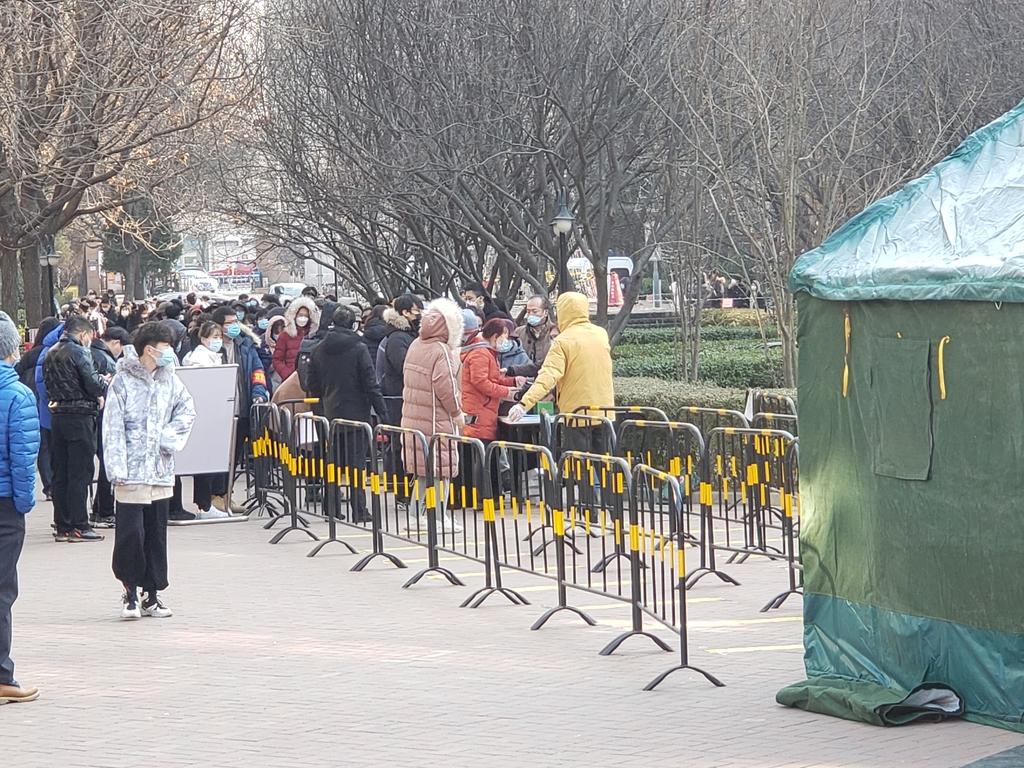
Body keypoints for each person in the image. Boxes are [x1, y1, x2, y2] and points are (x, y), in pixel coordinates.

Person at [104, 322, 196, 619]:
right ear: (150, 348)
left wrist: (168, 440)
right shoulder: (122, 381)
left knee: (156, 534)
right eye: (166, 347)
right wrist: (116, 468)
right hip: (130, 473)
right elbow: (112, 428)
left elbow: (187, 411)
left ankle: (152, 594)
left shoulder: (171, 380)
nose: (170, 352)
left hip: (159, 471)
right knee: (131, 534)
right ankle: (130, 591)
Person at [305, 306, 388, 523]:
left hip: (329, 414)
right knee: (356, 465)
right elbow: (370, 384)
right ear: (353, 325)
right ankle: (359, 509)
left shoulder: (318, 349)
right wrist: (383, 415)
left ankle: (330, 507)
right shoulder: (359, 348)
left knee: (333, 462)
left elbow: (311, 384)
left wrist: (323, 404)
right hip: (356, 415)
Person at [507, 292, 615, 455]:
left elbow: (547, 376)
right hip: (605, 410)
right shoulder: (600, 334)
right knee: (607, 463)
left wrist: (524, 404)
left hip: (577, 413)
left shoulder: (563, 341)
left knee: (580, 465)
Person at [0, 311, 40, 704]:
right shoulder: (17, 395)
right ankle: (1, 675)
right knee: (1, 590)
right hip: (4, 505)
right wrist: (24, 505)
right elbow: (22, 458)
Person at [401, 298, 465, 533]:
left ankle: (415, 515)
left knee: (421, 471)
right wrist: (457, 412)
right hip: (436, 421)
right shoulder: (442, 351)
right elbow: (446, 387)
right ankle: (439, 518)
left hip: (413, 418)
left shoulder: (415, 345)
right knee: (441, 471)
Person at [42, 315, 107, 542]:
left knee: (61, 472)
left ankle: (63, 524)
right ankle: (80, 524)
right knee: (80, 472)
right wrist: (104, 381)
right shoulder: (80, 353)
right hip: (80, 415)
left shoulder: (50, 353)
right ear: (84, 334)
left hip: (58, 415)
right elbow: (92, 384)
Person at [211, 306, 268, 513]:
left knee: (234, 457)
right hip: (218, 411)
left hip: (242, 408)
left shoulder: (246, 345)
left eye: (236, 322)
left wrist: (259, 392)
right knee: (218, 456)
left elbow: (258, 371)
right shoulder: (210, 347)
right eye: (229, 323)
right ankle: (215, 496)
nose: (234, 326)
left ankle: (227, 495)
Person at [182, 322, 232, 520]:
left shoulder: (214, 356)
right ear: (203, 339)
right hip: (205, 416)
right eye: (214, 336)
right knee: (204, 463)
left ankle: (206, 504)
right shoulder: (199, 359)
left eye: (220, 336)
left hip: (214, 415)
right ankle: (204, 505)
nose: (218, 340)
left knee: (210, 462)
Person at [89, 327, 130, 529]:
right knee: (107, 466)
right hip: (101, 419)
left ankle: (99, 510)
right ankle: (104, 510)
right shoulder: (106, 360)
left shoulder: (89, 352)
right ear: (116, 343)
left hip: (91, 419)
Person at [16, 317, 59, 500]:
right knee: (52, 444)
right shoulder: (54, 352)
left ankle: (48, 485)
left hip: (31, 400)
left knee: (42, 446)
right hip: (49, 402)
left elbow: (17, 372)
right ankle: (54, 483)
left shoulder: (31, 354)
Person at [382, 294, 423, 412]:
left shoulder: (410, 334)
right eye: (417, 311)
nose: (419, 314)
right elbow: (404, 366)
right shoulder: (397, 338)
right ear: (405, 312)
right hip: (401, 399)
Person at [272, 296, 319, 382]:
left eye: (306, 316)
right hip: (290, 380)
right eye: (300, 315)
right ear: (294, 315)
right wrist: (287, 374)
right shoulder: (285, 335)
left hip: (310, 381)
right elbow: (276, 359)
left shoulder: (314, 336)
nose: (303, 318)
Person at [510, 295, 558, 378]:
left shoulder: (555, 334)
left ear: (545, 312)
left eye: (534, 311)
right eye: (528, 311)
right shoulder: (518, 332)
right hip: (522, 381)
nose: (531, 315)